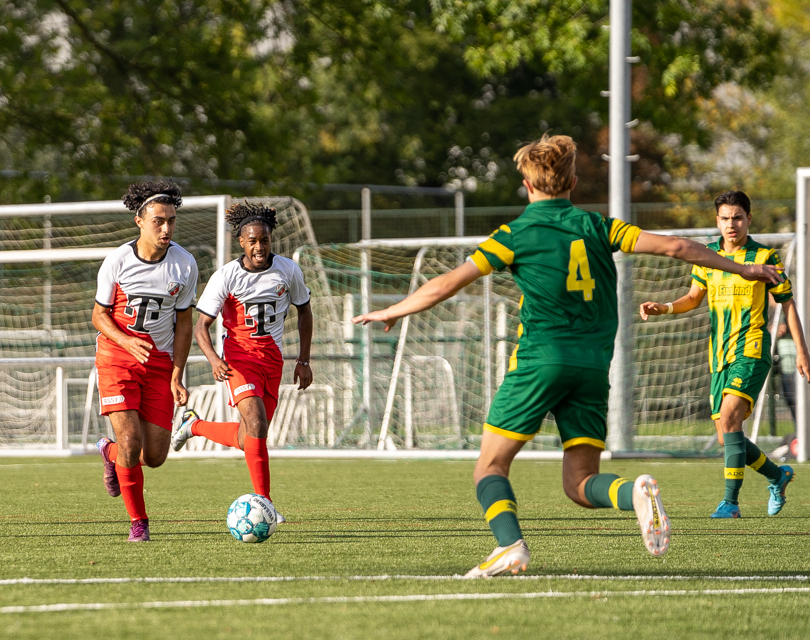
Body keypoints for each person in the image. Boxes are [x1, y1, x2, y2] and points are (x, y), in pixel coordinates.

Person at [352, 135, 783, 577]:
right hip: (592, 367)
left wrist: (394, 310)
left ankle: (510, 545)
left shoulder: (515, 234)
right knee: (580, 484)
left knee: (490, 466)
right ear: (573, 183)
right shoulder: (599, 226)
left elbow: (448, 282)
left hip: (540, 361)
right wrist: (744, 268)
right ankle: (633, 492)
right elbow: (676, 247)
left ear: (526, 185)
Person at [640, 190, 808, 518]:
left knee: (730, 418)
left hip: (752, 349)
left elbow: (787, 303)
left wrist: (802, 351)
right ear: (717, 221)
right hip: (718, 355)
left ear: (749, 219)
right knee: (725, 436)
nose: (732, 224)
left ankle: (730, 503)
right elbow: (693, 297)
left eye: (738, 218)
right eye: (726, 218)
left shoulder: (764, 257)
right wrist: (665, 307)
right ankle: (778, 476)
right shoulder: (707, 256)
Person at [171, 202, 313, 523]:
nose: (259, 247)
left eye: (264, 240)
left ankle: (193, 425)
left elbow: (304, 311)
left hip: (272, 363)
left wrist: (303, 359)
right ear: (241, 242)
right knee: (257, 425)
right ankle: (266, 504)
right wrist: (214, 359)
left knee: (250, 437)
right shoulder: (227, 276)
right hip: (239, 361)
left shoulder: (288, 270)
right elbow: (201, 326)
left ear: (271, 238)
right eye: (252, 241)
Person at [92, 180, 198, 542]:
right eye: (158, 221)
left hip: (159, 363)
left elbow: (185, 323)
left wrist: (177, 375)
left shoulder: (185, 264)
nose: (166, 228)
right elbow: (98, 315)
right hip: (116, 358)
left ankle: (109, 452)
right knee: (130, 440)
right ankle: (139, 523)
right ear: (139, 221)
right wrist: (125, 341)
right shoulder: (118, 260)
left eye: (171, 221)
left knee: (154, 456)